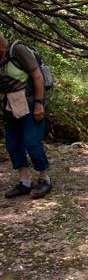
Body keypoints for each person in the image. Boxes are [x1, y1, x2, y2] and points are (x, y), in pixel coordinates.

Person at [0, 34, 52, 198]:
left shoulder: (18, 50)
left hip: (29, 103)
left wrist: (39, 103)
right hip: (9, 106)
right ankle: (25, 182)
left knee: (31, 141)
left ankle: (44, 179)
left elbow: (37, 77)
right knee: (13, 144)